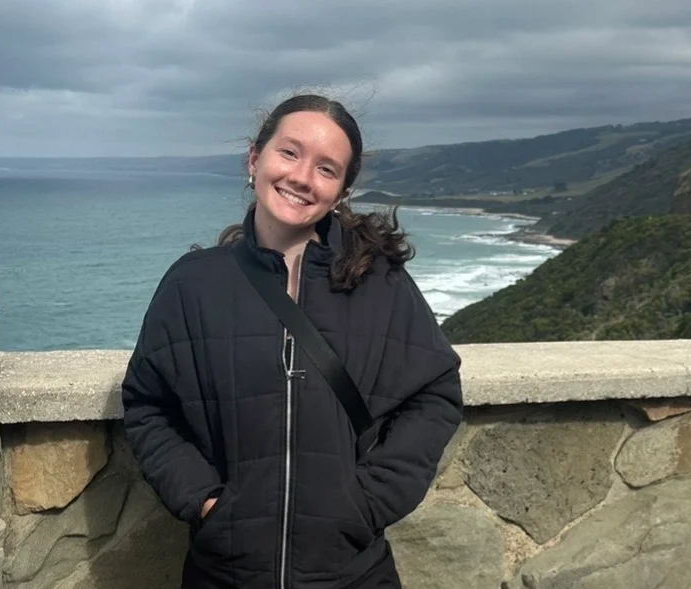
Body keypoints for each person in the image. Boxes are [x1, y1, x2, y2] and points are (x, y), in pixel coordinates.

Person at [121, 94, 464, 589]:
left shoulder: (379, 284)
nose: (302, 177)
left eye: (327, 168)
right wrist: (203, 501)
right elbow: (148, 403)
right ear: (255, 159)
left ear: (342, 190)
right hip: (224, 575)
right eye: (289, 153)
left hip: (353, 574)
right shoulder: (192, 285)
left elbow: (434, 394)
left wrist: (368, 503)